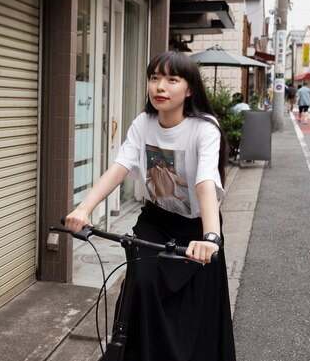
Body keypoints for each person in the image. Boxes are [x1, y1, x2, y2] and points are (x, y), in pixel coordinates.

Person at [65, 51, 236, 361]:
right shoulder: (144, 123)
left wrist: (211, 236)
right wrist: (83, 208)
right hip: (156, 220)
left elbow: (204, 181)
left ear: (190, 89)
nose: (161, 86)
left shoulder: (204, 128)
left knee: (194, 309)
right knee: (141, 285)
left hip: (197, 228)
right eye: (155, 78)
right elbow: (119, 168)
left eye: (172, 79)